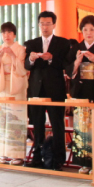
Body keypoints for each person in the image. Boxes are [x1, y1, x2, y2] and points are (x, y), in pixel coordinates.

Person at [65, 15, 94, 175]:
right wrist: (77, 63)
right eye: (85, 29)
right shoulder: (75, 49)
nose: (88, 32)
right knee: (81, 129)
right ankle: (83, 162)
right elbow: (67, 70)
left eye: (92, 29)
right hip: (81, 93)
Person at [24, 11, 71, 170]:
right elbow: (25, 66)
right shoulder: (31, 43)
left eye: (48, 24)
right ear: (38, 25)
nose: (45, 27)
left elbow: (66, 65)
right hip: (36, 90)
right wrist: (31, 59)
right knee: (37, 125)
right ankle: (37, 158)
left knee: (58, 125)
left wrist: (51, 58)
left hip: (55, 89)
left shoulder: (63, 43)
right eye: (42, 24)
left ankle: (58, 160)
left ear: (54, 25)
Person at [0, 22, 28, 165]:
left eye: (9, 33)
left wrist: (12, 56)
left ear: (14, 35)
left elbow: (23, 70)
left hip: (16, 87)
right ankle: (2, 153)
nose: (6, 35)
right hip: (3, 86)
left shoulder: (21, 49)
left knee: (15, 119)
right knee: (2, 119)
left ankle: (17, 155)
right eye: (4, 33)